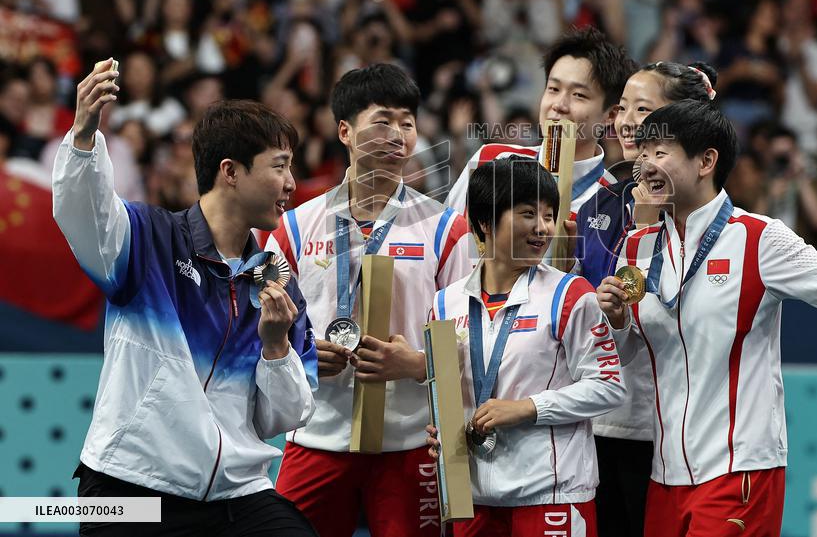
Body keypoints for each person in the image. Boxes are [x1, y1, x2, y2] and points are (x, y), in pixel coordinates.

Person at [597, 101, 817, 537]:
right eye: (643, 153)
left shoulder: (758, 238)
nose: (645, 165)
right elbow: (634, 358)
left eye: (660, 152)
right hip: (665, 476)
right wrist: (616, 323)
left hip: (739, 472)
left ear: (707, 161)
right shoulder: (637, 249)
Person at [53, 59, 319, 536]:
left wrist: (277, 347)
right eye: (279, 166)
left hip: (235, 495)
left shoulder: (274, 281)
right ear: (230, 172)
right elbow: (83, 213)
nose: (290, 184)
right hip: (130, 487)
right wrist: (83, 138)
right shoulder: (149, 240)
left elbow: (285, 416)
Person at [269, 63, 475, 537]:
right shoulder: (295, 228)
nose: (398, 134)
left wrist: (417, 363)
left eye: (407, 122)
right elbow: (259, 326)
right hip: (315, 437)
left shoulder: (446, 230)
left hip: (410, 445)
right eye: (382, 120)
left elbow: (472, 341)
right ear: (345, 130)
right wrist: (298, 353)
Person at [427, 157, 626, 537]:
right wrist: (444, 427)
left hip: (550, 495)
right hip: (472, 498)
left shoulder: (569, 295)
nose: (543, 228)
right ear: (485, 222)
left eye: (549, 215)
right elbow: (451, 389)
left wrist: (528, 408)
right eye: (527, 213)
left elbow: (609, 386)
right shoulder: (445, 303)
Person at [573, 60, 717, 537]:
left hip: (662, 428)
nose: (629, 121)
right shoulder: (594, 205)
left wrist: (648, 223)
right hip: (593, 420)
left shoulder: (703, 213)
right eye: (623, 109)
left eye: (646, 109)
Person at [445, 27, 636, 219]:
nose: (559, 105)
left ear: (611, 115)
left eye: (579, 95)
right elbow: (443, 243)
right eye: (553, 88)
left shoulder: (618, 204)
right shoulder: (489, 161)